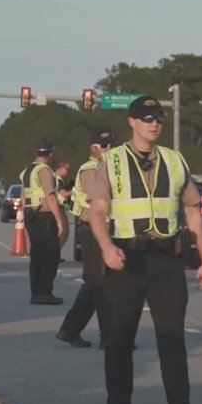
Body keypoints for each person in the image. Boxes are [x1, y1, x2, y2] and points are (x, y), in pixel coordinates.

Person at [89, 95, 202, 404]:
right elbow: (97, 211)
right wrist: (107, 246)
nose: (154, 123)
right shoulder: (111, 162)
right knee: (119, 340)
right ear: (132, 122)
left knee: (171, 340)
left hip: (165, 261)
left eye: (158, 117)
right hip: (125, 260)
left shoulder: (174, 161)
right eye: (146, 118)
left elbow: (192, 210)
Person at [56, 131, 115, 347]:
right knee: (99, 284)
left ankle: (71, 330)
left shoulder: (107, 168)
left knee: (98, 284)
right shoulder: (92, 170)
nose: (108, 149)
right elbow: (100, 202)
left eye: (111, 145)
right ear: (93, 147)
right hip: (93, 229)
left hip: (106, 229)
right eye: (103, 145)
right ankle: (107, 336)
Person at [19, 140, 64, 304]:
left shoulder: (28, 171)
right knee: (51, 255)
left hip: (31, 214)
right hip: (44, 216)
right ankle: (45, 292)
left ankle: (36, 292)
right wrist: (59, 219)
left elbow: (23, 197)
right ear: (50, 154)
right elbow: (50, 195)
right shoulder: (45, 171)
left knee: (37, 255)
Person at [53, 160, 72, 257]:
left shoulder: (52, 178)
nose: (68, 171)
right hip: (58, 206)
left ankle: (54, 253)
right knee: (64, 231)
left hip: (54, 206)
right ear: (60, 168)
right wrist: (75, 192)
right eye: (67, 169)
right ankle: (55, 253)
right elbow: (63, 194)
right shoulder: (59, 180)